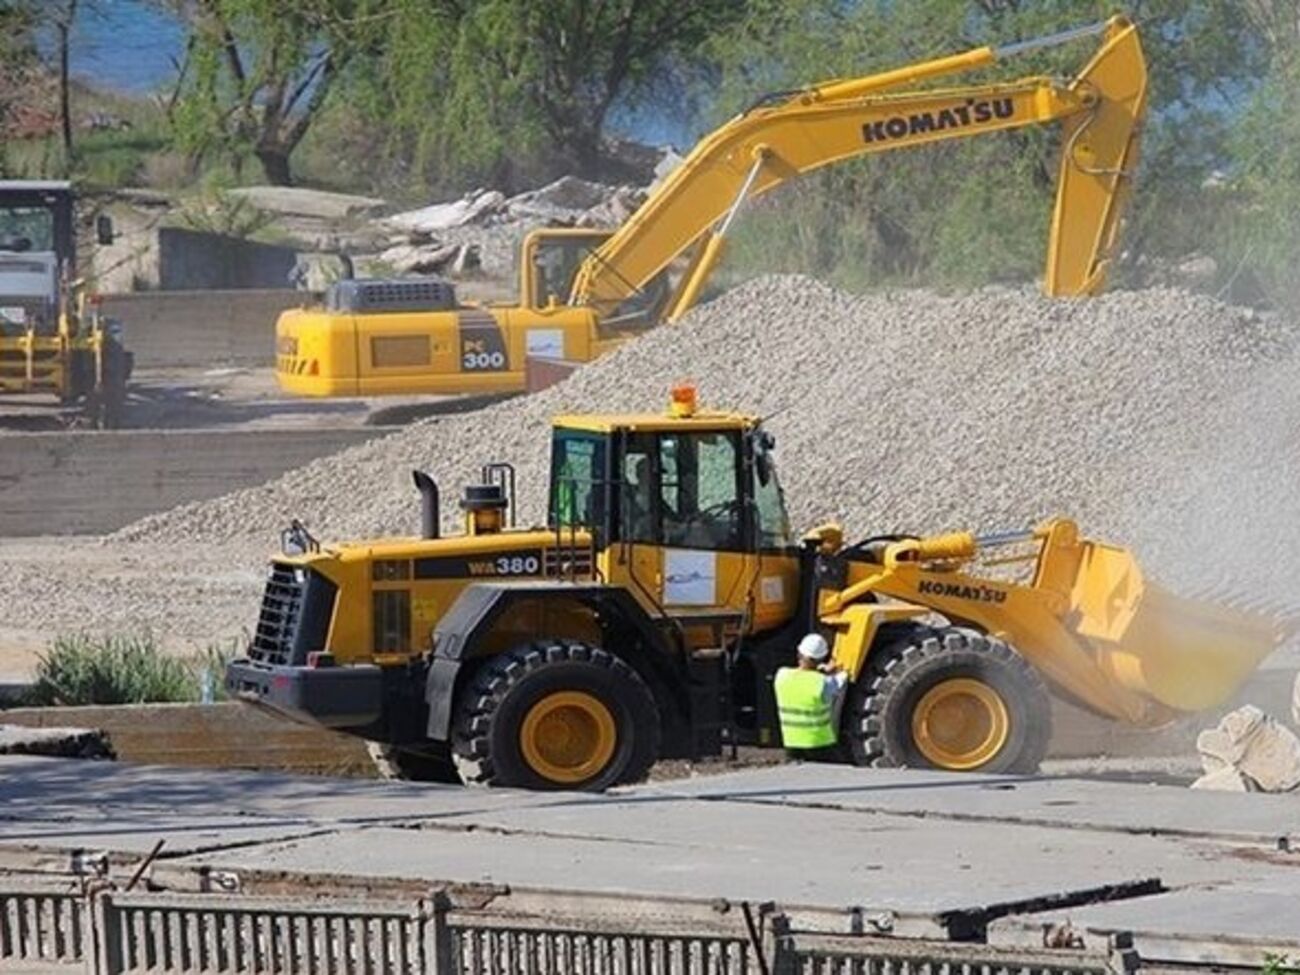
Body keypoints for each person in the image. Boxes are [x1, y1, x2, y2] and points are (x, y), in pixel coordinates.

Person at [774, 633, 847, 762]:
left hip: (792, 744)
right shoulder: (824, 682)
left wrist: (820, 670)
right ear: (822, 658)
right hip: (820, 745)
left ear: (798, 654)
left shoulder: (781, 676)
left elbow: (804, 677)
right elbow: (844, 677)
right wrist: (833, 670)